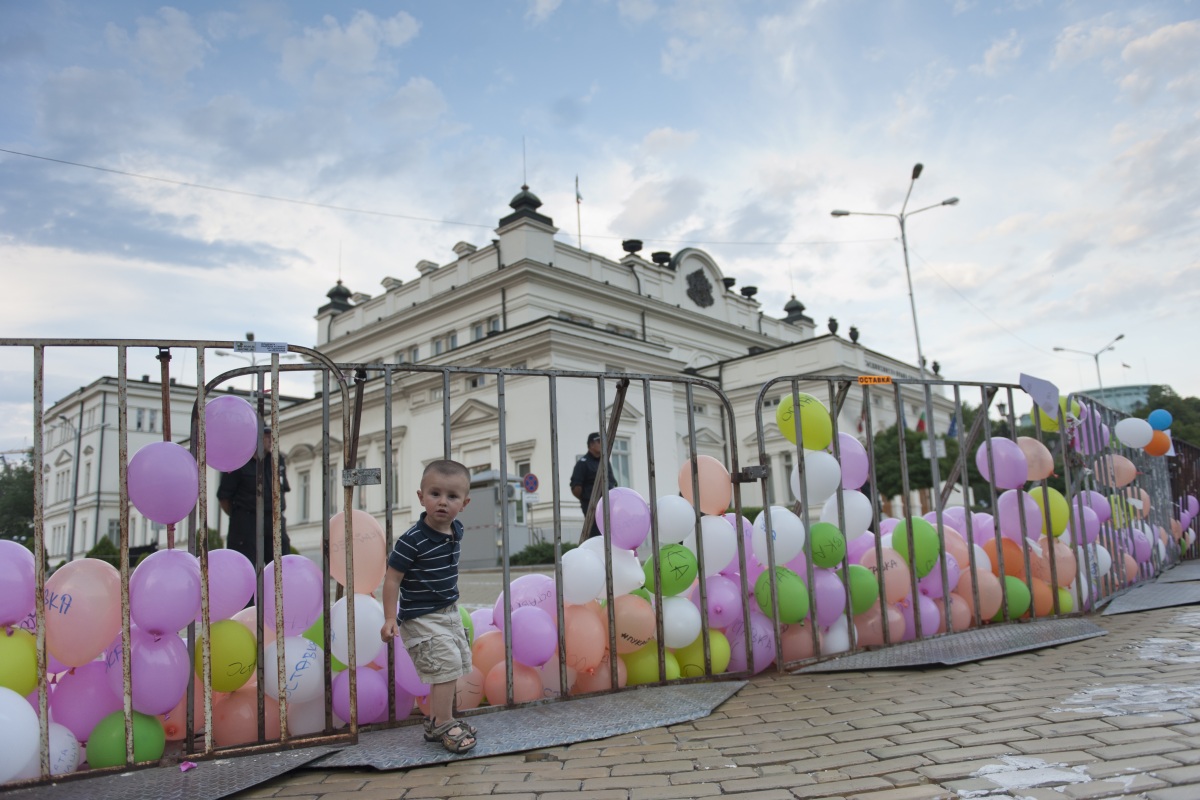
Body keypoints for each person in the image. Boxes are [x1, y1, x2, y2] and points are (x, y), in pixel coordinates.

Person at [380, 459, 477, 754]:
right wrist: (389, 618)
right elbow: (392, 579)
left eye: (452, 496)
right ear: (421, 497)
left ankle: (436, 721)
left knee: (450, 668)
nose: (443, 503)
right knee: (445, 668)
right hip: (421, 618)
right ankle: (446, 724)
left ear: (464, 503)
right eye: (435, 494)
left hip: (448, 613)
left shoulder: (455, 530)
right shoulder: (412, 541)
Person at [218, 425, 291, 566]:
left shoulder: (277, 460)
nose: (271, 440)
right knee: (246, 566)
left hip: (274, 520)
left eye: (272, 436)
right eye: (266, 436)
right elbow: (224, 497)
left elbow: (282, 489)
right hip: (247, 521)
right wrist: (240, 516)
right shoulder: (239, 462)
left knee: (281, 567)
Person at [570, 431, 618, 539]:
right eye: (599, 441)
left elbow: (612, 482)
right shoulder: (583, 463)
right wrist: (589, 500)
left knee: (611, 536)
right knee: (596, 537)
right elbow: (576, 487)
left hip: (608, 505)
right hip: (593, 507)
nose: (602, 444)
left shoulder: (605, 461)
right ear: (591, 444)